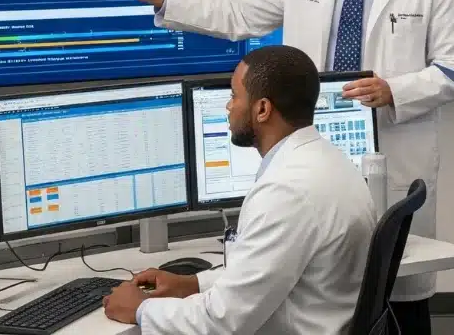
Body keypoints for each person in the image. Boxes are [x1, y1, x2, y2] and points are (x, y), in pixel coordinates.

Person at [106, 0, 454, 334]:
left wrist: (395, 90)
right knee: (311, 283)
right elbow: (240, 14)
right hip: (315, 153)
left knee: (393, 294)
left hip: (389, 155)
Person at [102, 45, 376, 334]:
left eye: (234, 96)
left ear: (262, 109)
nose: (228, 107)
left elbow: (221, 322)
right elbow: (262, 274)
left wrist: (140, 309)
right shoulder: (330, 161)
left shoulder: (287, 192)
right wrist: (191, 283)